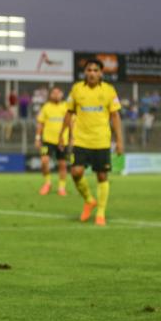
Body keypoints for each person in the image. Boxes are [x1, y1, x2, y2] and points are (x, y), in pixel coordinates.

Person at [59, 59, 123, 226]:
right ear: (85, 72)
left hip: (101, 141)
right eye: (89, 70)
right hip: (81, 140)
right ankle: (89, 199)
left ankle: (100, 212)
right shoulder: (77, 89)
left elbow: (115, 116)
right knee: (76, 172)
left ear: (101, 73)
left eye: (96, 70)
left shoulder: (109, 90)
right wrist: (61, 135)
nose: (92, 73)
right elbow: (69, 112)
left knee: (102, 176)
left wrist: (120, 140)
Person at [34, 86, 69, 196]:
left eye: (58, 93)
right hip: (47, 141)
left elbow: (72, 123)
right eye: (54, 93)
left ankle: (61, 187)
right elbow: (40, 124)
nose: (56, 95)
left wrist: (73, 138)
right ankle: (47, 183)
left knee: (62, 164)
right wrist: (37, 138)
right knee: (44, 161)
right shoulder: (46, 107)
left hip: (63, 141)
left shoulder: (67, 107)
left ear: (62, 94)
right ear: (50, 95)